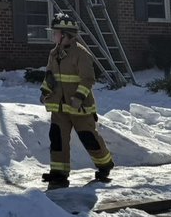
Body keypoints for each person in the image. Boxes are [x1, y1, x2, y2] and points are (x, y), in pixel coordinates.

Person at [39, 13, 114, 190]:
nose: (54, 36)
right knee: (57, 138)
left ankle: (105, 164)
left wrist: (79, 98)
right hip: (60, 108)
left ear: (66, 35)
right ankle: (59, 174)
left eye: (56, 33)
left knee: (88, 138)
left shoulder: (81, 54)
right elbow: (50, 76)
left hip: (80, 108)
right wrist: (45, 91)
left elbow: (88, 79)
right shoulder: (54, 53)